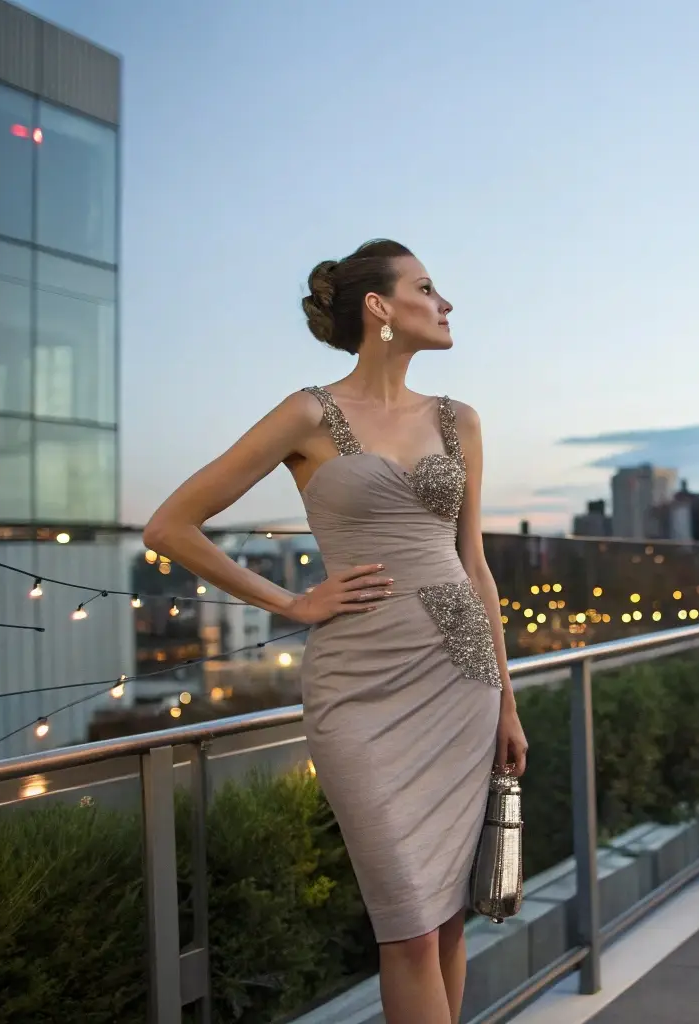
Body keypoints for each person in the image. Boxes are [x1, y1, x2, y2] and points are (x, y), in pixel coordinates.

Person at [142, 239, 526, 1024]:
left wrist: (509, 703)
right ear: (380, 308)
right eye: (428, 287)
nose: (446, 303)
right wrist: (290, 604)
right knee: (408, 925)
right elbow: (170, 526)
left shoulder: (461, 420)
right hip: (358, 689)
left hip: (462, 680)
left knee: (447, 912)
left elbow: (474, 565)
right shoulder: (308, 412)